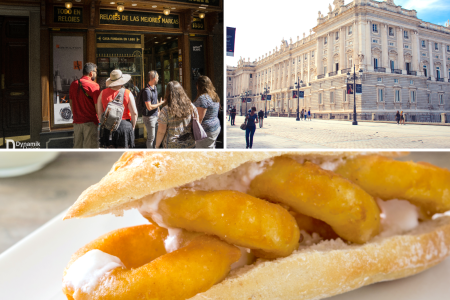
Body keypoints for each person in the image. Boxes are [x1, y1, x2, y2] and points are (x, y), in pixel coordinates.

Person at [97, 70, 137, 148]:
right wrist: (132, 127)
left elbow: (99, 113)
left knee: (110, 154)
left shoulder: (102, 93)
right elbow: (134, 113)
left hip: (108, 127)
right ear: (121, 81)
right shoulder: (127, 93)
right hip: (124, 126)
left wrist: (104, 125)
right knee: (123, 155)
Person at [155, 81, 198, 149]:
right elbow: (197, 122)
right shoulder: (191, 106)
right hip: (190, 144)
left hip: (172, 146)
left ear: (168, 93)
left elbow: (161, 132)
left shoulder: (165, 111)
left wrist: (157, 146)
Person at [69, 62, 100, 148]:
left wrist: (76, 115)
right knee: (90, 150)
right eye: (96, 71)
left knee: (78, 148)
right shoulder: (94, 86)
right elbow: (97, 106)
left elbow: (71, 103)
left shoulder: (73, 84)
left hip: (77, 123)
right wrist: (100, 122)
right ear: (91, 73)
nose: (96, 74)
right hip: (90, 123)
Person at [193, 76, 221, 149]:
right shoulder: (214, 96)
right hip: (215, 127)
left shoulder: (203, 98)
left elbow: (199, 119)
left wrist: (194, 134)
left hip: (206, 131)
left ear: (198, 86)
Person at [142, 71, 165, 148]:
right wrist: (160, 104)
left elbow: (156, 100)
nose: (158, 78)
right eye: (158, 77)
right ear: (154, 78)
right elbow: (149, 107)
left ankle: (155, 150)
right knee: (151, 137)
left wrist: (159, 110)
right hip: (149, 117)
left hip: (156, 115)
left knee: (156, 136)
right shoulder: (146, 91)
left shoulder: (154, 87)